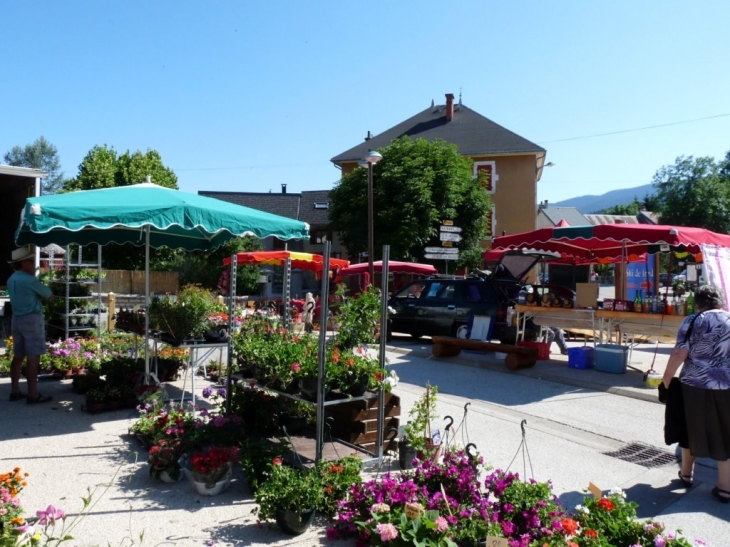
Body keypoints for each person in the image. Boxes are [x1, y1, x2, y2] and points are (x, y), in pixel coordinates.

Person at [662, 284, 730, 503]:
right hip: (725, 385)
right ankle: (724, 487)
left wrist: (666, 380)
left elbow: (681, 352)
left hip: (693, 384)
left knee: (688, 428)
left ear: (698, 303)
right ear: (720, 301)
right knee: (723, 433)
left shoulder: (693, 320)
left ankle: (687, 474)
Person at [7, 246, 54, 404]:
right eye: (30, 260)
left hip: (16, 318)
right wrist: (39, 297)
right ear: (23, 263)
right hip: (31, 319)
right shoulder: (30, 280)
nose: (34, 263)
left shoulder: (11, 278)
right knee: (33, 357)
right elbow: (49, 295)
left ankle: (15, 390)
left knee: (18, 355)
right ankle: (33, 394)